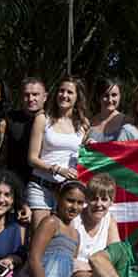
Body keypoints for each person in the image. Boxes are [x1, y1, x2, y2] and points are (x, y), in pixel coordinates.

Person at [27, 76, 89, 228]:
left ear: (77, 97)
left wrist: (90, 146)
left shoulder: (84, 124)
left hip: (68, 193)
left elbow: (84, 157)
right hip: (41, 188)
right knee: (39, 239)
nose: (64, 95)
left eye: (70, 92)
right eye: (61, 91)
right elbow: (32, 158)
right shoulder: (43, 118)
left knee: (62, 240)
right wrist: (57, 169)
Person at [68, 173, 120, 277]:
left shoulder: (110, 221)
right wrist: (100, 272)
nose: (99, 204)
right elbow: (69, 264)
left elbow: (116, 259)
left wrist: (88, 269)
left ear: (111, 202)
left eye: (104, 199)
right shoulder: (75, 220)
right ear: (87, 199)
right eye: (94, 198)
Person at [5, 77, 48, 193]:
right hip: (14, 182)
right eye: (26, 95)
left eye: (35, 94)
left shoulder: (52, 122)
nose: (31, 99)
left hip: (44, 183)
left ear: (44, 97)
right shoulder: (9, 118)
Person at [87, 78, 126, 143]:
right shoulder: (90, 123)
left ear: (120, 96)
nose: (110, 100)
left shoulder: (126, 122)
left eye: (114, 95)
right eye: (105, 95)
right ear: (99, 97)